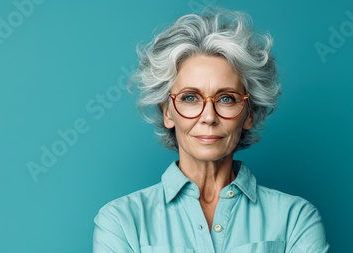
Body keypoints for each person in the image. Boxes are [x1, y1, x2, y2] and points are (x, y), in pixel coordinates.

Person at [93, 6, 329, 253]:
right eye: (190, 98)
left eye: (226, 98)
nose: (208, 117)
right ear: (167, 112)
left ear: (249, 113)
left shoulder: (295, 220)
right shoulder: (121, 221)